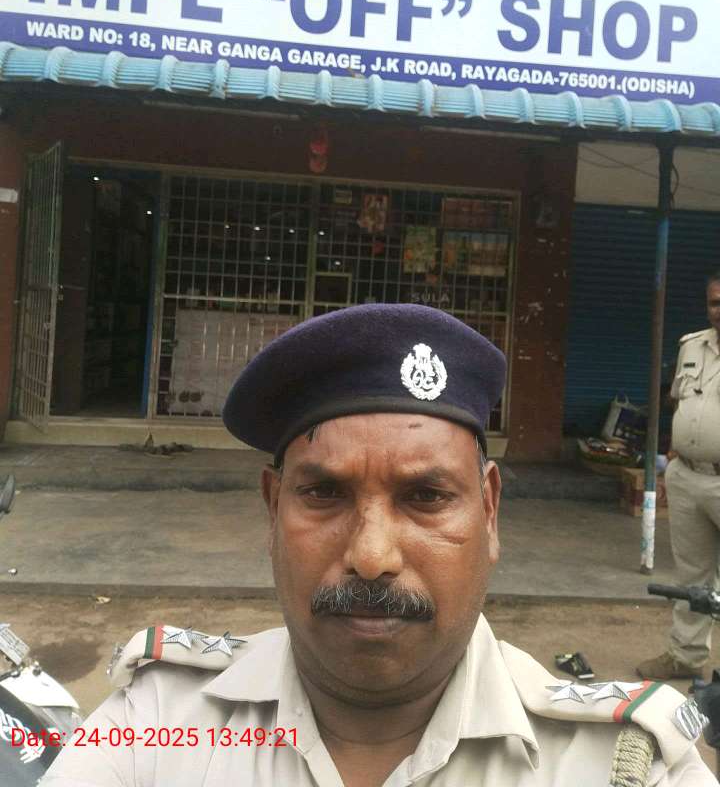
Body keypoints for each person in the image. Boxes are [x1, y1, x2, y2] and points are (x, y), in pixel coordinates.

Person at [43, 304, 712, 786]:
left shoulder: (623, 766)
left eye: (426, 497)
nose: (371, 556)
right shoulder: (157, 723)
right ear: (273, 509)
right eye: (323, 493)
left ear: (489, 511)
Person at [638, 271, 720, 682]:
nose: (719, 310)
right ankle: (686, 657)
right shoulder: (692, 346)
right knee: (693, 575)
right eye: (715, 302)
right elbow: (678, 402)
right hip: (688, 476)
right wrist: (675, 452)